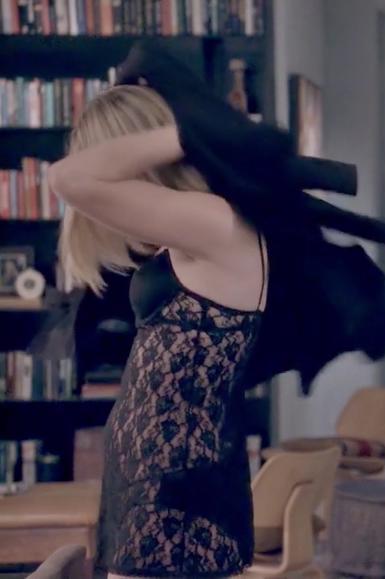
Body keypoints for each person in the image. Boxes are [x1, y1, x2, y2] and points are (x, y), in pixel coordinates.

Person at [51, 85, 268, 578]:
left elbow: (67, 178)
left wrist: (187, 134)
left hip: (175, 502)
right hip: (154, 488)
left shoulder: (216, 220)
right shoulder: (194, 230)